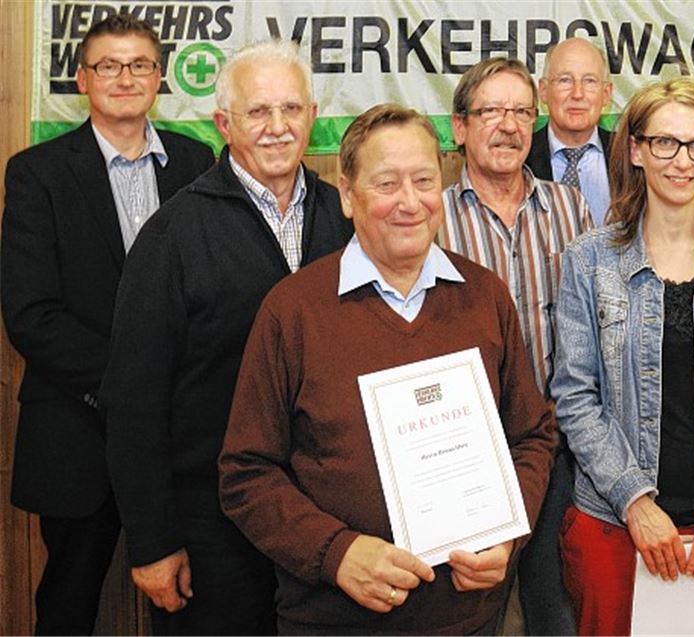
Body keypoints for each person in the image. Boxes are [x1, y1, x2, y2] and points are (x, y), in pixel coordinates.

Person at [218, 103, 558, 635]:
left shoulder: (484, 297)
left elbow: (533, 435)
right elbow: (246, 473)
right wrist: (336, 553)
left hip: (467, 621)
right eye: (386, 184)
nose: (409, 202)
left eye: (423, 181)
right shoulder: (294, 311)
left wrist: (510, 531)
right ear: (347, 195)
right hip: (335, 623)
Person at [100, 39, 352, 634]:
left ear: (313, 117)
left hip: (327, 523)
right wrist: (153, 542)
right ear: (224, 123)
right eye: (258, 111)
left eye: (291, 109)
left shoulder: (346, 221)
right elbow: (133, 402)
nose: (277, 127)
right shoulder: (172, 235)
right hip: (213, 530)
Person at [0, 14, 213, 635]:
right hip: (77, 431)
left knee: (192, 601)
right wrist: (132, 383)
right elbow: (31, 315)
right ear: (82, 79)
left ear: (160, 77)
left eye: (139, 64)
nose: (125, 78)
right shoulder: (37, 172)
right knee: (68, 605)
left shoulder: (196, 162)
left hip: (182, 437)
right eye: (109, 66)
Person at [550, 78, 694, 636]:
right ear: (636, 150)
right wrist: (634, 501)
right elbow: (575, 397)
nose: (682, 161)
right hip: (615, 523)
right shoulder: (589, 260)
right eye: (665, 142)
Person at [437, 56, 594, 636]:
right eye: (491, 112)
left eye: (522, 112)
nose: (508, 126)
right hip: (465, 452)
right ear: (460, 127)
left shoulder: (570, 209)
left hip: (554, 445)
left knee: (556, 609)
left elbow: (592, 326)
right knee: (471, 612)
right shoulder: (433, 218)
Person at [527, 37, 614, 226]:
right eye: (565, 80)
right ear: (543, 91)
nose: (577, 94)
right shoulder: (520, 158)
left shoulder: (630, 155)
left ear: (606, 93)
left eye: (590, 81)